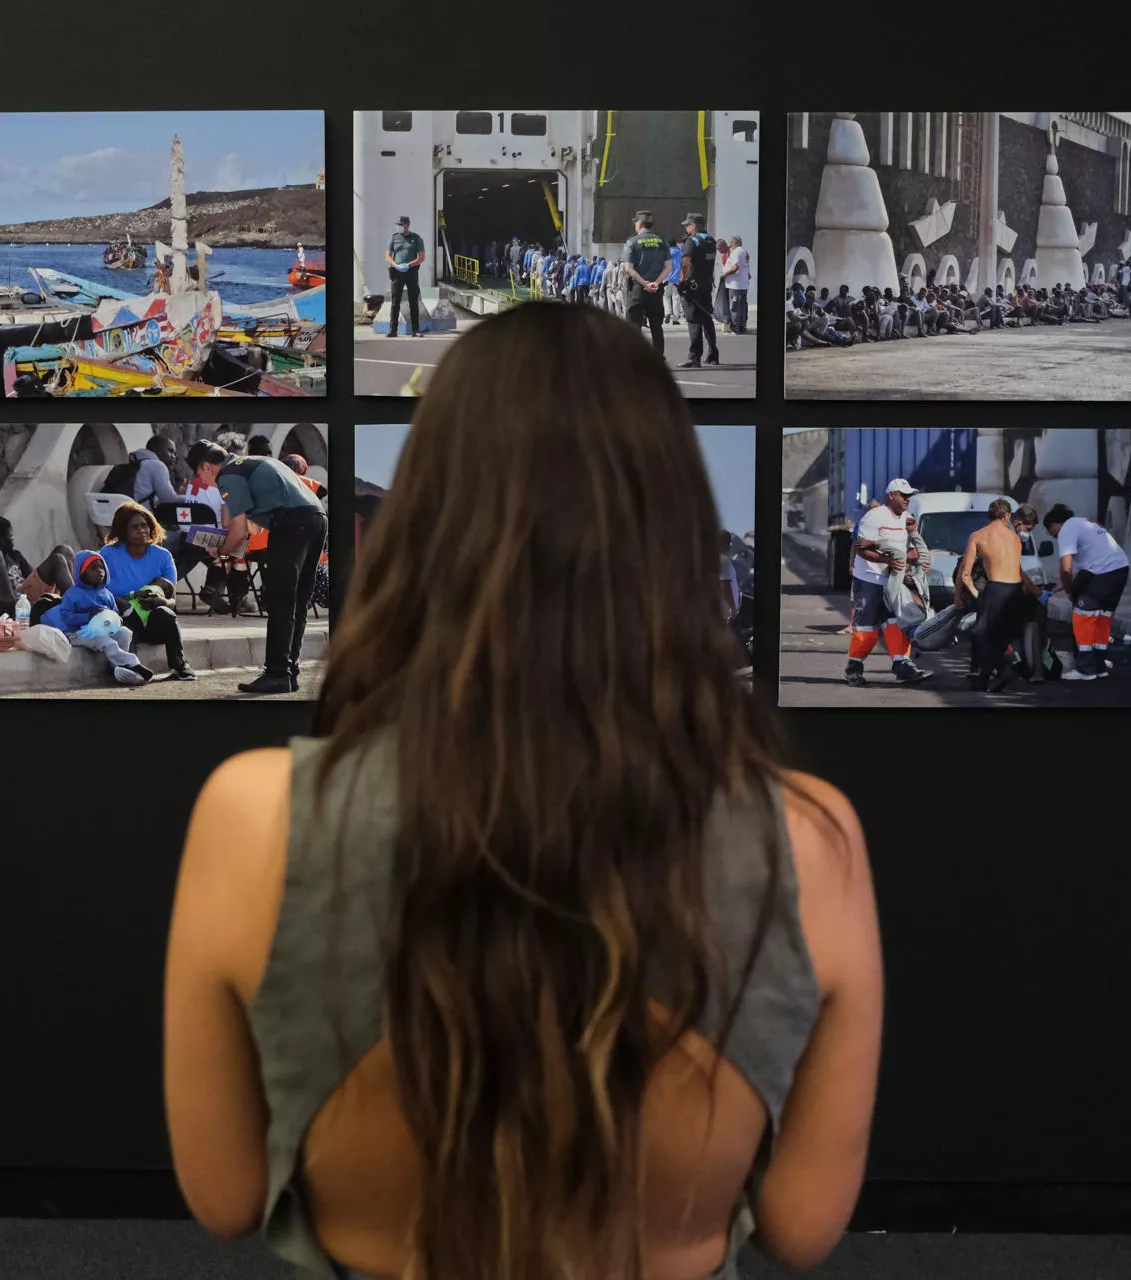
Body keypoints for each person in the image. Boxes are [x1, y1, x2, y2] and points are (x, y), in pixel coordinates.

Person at [163, 301, 880, 1280]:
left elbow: (224, 1190)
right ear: (671, 530)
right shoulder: (809, 836)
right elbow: (802, 1221)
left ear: (424, 519)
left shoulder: (252, 816)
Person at [198, 444, 327, 695]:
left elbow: (237, 530)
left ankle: (277, 673)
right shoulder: (251, 464)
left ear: (206, 466)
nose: (203, 481)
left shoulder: (229, 474)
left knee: (280, 600)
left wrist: (222, 551)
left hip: (291, 524)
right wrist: (228, 544)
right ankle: (289, 672)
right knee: (297, 602)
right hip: (315, 520)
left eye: (200, 475)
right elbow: (250, 528)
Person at [846, 478, 930, 687]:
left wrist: (915, 559)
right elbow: (861, 548)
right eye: (904, 496)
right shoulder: (874, 517)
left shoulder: (906, 520)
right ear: (891, 495)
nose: (907, 500)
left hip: (893, 581)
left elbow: (908, 548)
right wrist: (887, 559)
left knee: (897, 623)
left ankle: (902, 665)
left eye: (909, 496)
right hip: (869, 580)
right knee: (866, 629)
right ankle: (854, 668)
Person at [99, 501, 196, 681]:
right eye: (134, 527)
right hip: (123, 619)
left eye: (144, 525)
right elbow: (99, 593)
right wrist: (129, 598)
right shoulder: (108, 554)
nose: (142, 530)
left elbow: (172, 600)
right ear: (123, 531)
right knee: (125, 614)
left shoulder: (163, 556)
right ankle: (126, 667)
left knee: (165, 613)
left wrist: (163, 602)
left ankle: (181, 666)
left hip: (153, 624)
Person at [1045, 503, 1130, 680]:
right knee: (1102, 617)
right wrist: (1064, 585)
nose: (1051, 535)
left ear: (1056, 523)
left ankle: (1085, 670)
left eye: (1050, 530)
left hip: (1103, 573)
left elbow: (1066, 569)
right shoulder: (1085, 523)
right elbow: (1088, 564)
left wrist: (1069, 591)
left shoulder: (1066, 529)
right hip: (1120, 568)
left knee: (1082, 615)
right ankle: (1099, 667)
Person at [957, 499, 1035, 693]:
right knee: (1002, 635)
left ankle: (1008, 669)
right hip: (1015, 589)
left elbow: (965, 574)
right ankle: (992, 675)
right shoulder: (1015, 538)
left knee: (980, 634)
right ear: (1007, 516)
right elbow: (1017, 568)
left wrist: (975, 594)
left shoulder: (978, 536)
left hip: (996, 590)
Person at [41, 549, 145, 686]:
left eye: (101, 567)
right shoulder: (73, 594)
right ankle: (131, 663)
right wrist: (89, 616)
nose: (99, 571)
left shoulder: (107, 594)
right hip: (78, 632)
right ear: (82, 572)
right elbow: (67, 617)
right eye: (93, 568)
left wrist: (116, 620)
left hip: (102, 629)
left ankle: (116, 668)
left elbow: (115, 614)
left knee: (125, 633)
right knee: (107, 642)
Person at [619, 209, 670, 354]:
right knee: (656, 326)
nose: (635, 224)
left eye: (635, 222)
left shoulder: (632, 242)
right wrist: (656, 283)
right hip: (656, 290)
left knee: (634, 326)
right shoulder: (662, 241)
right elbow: (668, 267)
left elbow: (629, 268)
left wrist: (644, 283)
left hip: (637, 289)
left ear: (640, 223)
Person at [675, 213, 721, 369]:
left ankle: (694, 357)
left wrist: (682, 282)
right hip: (706, 285)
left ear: (693, 225)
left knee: (694, 321)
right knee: (707, 320)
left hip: (692, 287)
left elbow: (686, 263)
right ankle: (713, 355)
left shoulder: (692, 241)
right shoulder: (710, 240)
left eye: (688, 225)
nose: (686, 228)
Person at [386, 215, 426, 337]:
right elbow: (388, 255)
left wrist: (408, 265)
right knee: (395, 301)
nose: (398, 227)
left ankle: (415, 330)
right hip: (397, 272)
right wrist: (396, 265)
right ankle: (393, 330)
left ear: (407, 225)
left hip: (411, 272)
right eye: (397, 225)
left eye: (401, 225)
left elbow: (421, 257)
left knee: (413, 300)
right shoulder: (393, 238)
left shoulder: (417, 238)